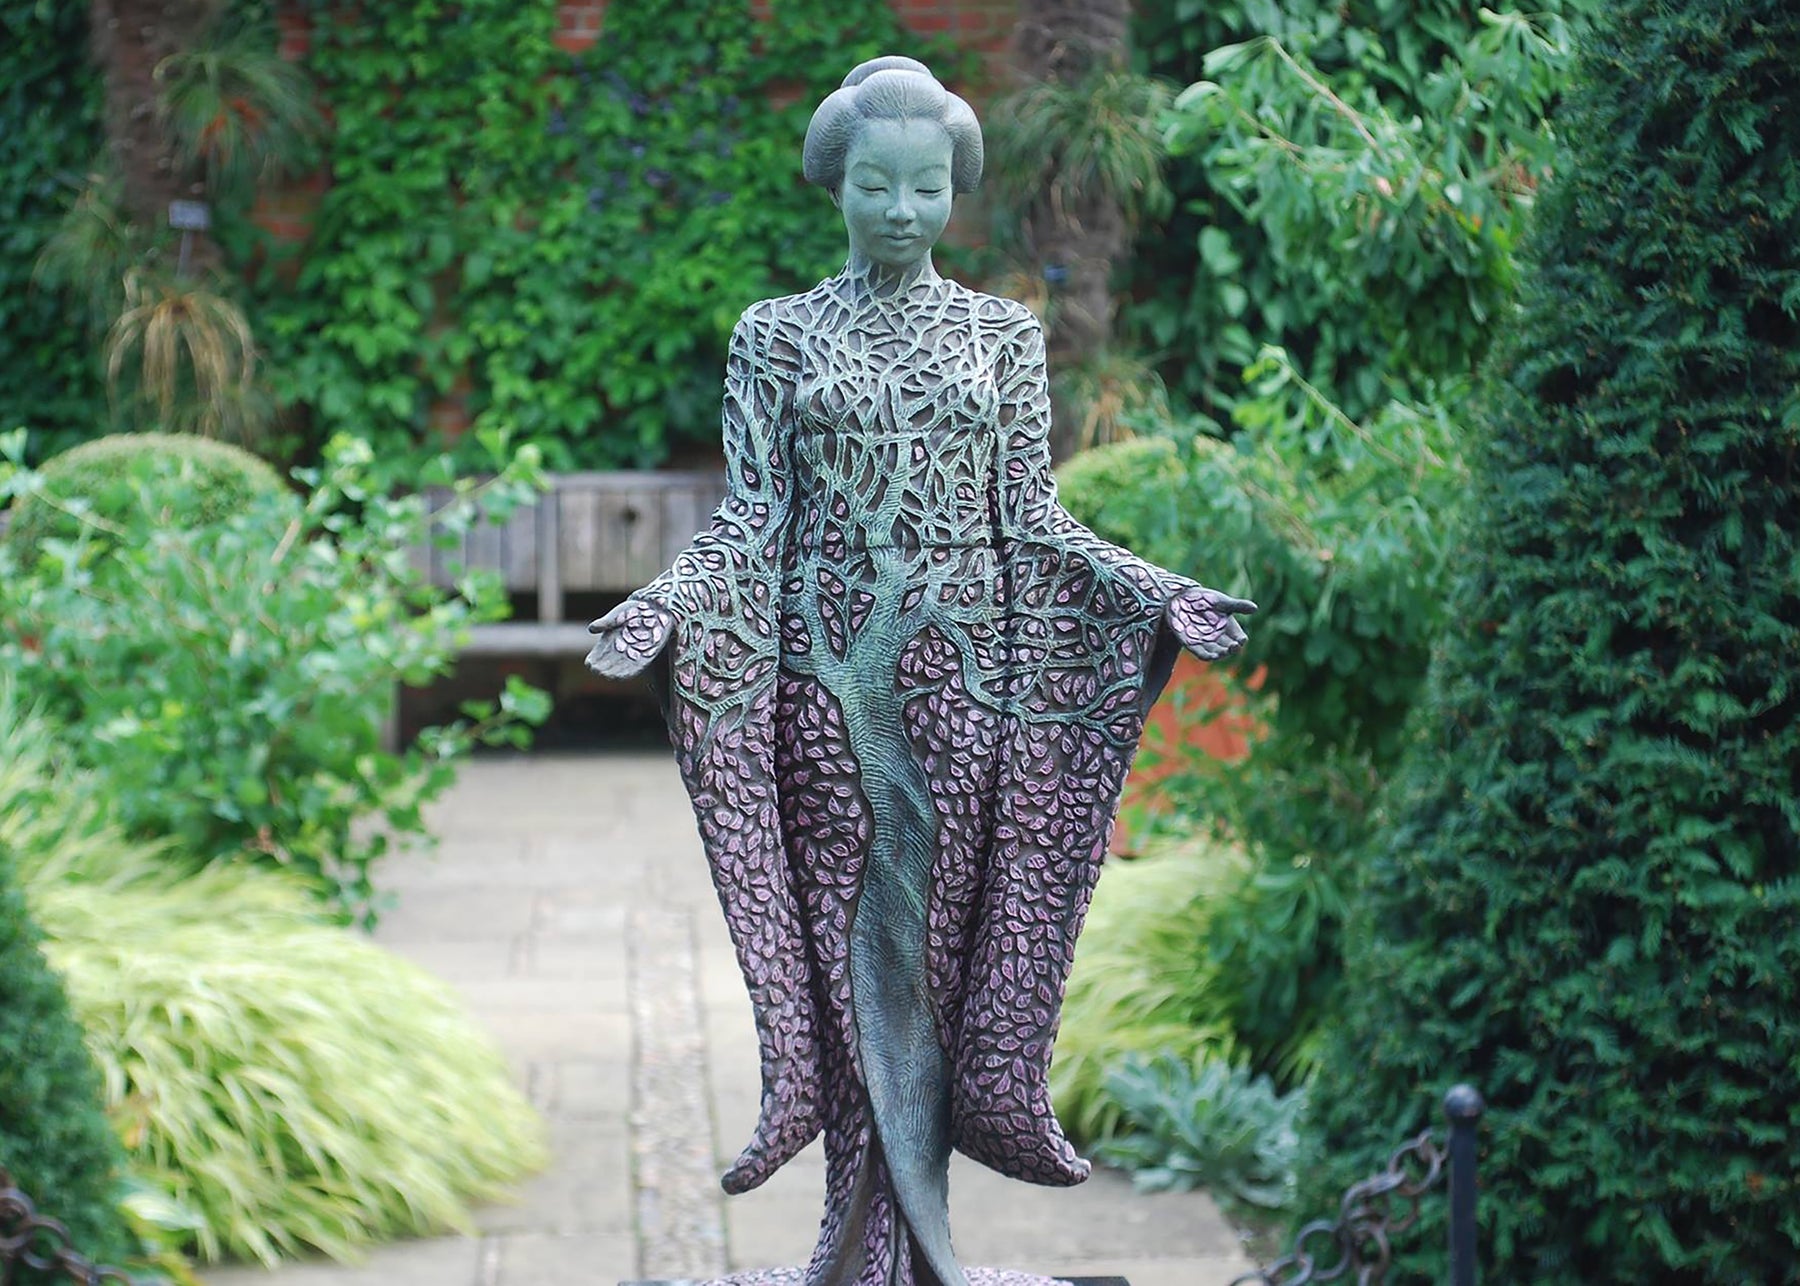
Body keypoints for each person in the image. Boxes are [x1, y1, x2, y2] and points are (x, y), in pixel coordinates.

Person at [587, 55, 1255, 1286]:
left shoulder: (1003, 336)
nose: (903, 212)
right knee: (849, 940)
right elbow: (752, 519)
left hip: (965, 685)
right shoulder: (776, 336)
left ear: (955, 190)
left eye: (928, 188)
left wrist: (1152, 587)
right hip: (825, 686)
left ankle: (908, 1244)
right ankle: (860, 1242)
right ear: (835, 184)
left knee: (936, 950)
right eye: (877, 187)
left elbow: (1033, 518)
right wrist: (668, 601)